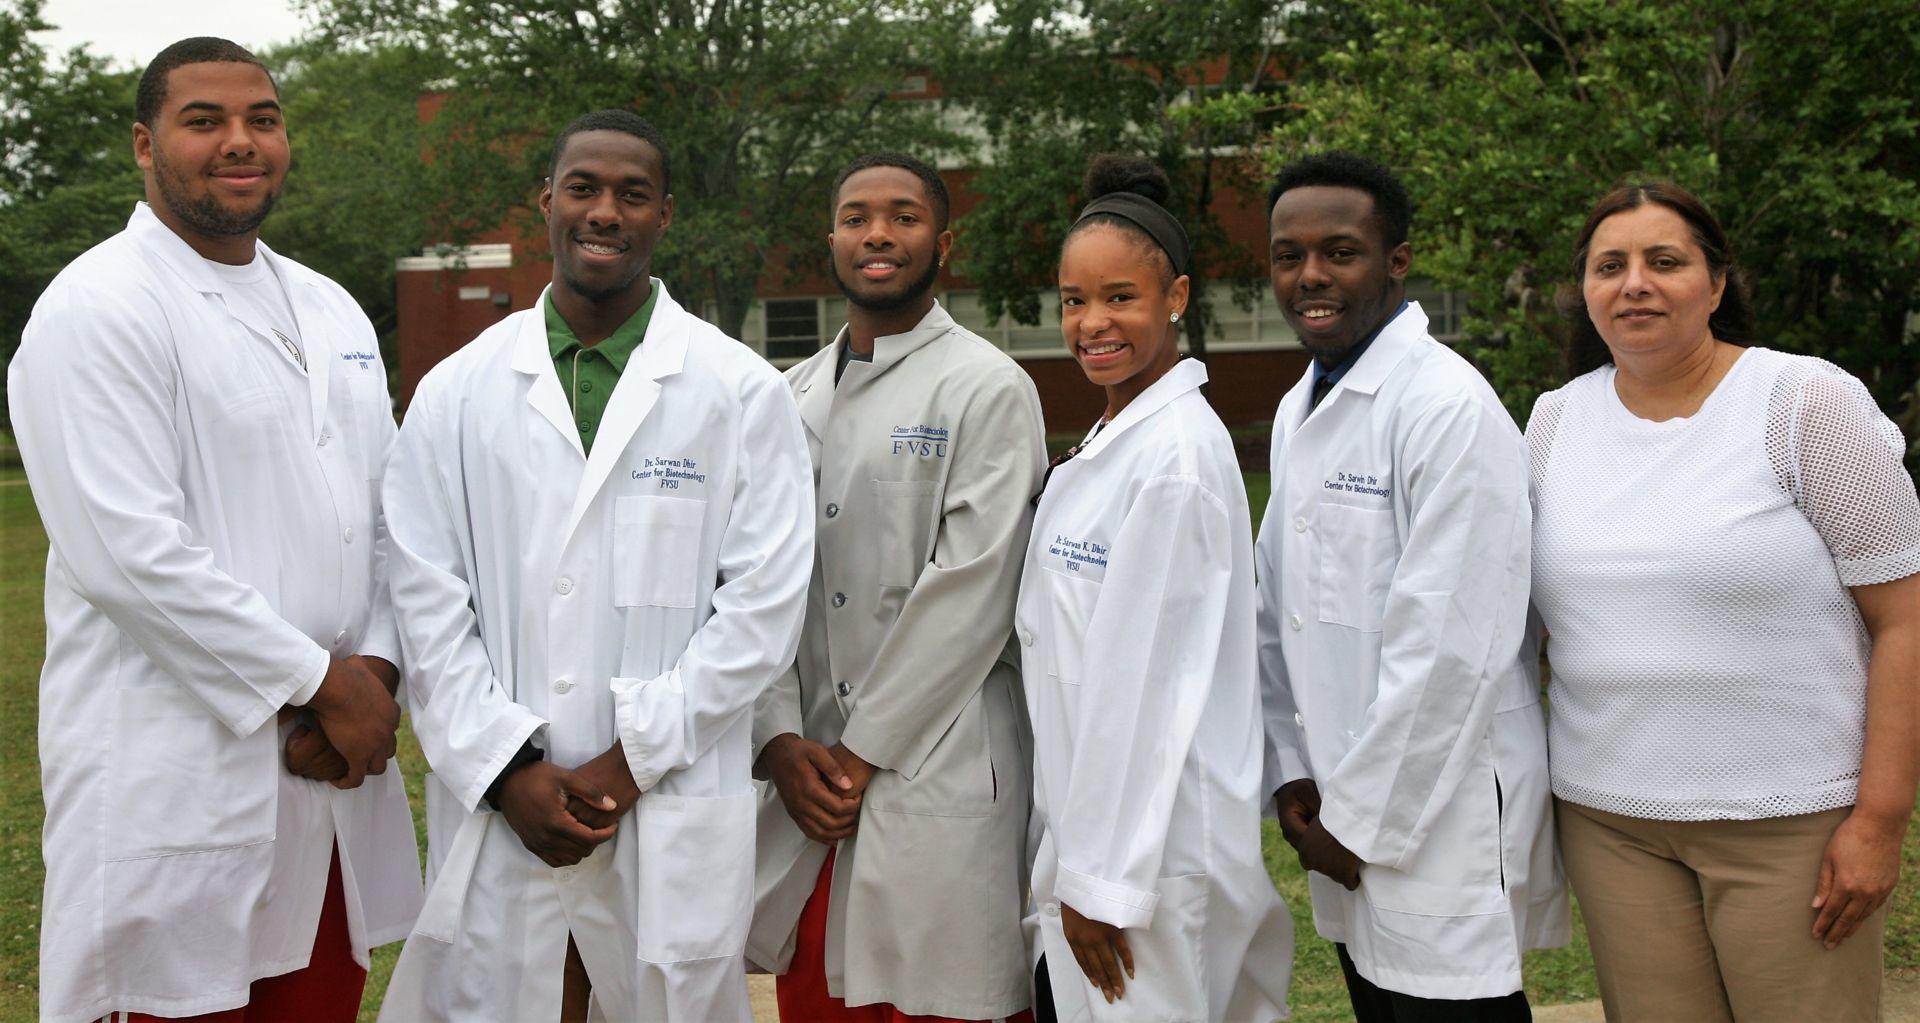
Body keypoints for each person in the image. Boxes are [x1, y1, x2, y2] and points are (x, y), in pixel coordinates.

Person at [9, 37, 421, 1023]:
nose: (241, 142)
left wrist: (380, 674)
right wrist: (322, 686)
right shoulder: (98, 307)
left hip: (324, 781)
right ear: (146, 146)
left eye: (263, 120)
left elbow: (394, 520)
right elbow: (128, 558)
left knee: (315, 997)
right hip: (178, 778)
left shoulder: (329, 309)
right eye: (206, 121)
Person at [375, 109, 815, 1022]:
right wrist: (504, 769)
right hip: (507, 804)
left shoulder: (740, 392)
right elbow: (423, 597)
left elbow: (764, 609)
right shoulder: (455, 392)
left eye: (632, 194)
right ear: (546, 201)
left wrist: (630, 761)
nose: (604, 212)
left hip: (670, 795)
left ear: (665, 217)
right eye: (583, 188)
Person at [1528, 182, 1920, 1022]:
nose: (1635, 282)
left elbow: (1906, 619)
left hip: (1792, 821)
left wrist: (1881, 819)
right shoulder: (1554, 423)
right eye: (1610, 265)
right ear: (1587, 292)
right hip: (1611, 821)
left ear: (1715, 284)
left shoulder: (1805, 404)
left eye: (1664, 261)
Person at [1255, 151, 1568, 1020]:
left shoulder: (1447, 408)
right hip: (1336, 809)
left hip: (1435, 815)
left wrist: (1360, 821)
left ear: (1396, 260)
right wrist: (1292, 774)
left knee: (1451, 1004)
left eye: (1340, 251)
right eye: (1288, 254)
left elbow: (1452, 647)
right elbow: (1275, 609)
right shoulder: (1300, 406)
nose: (1310, 275)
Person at [746, 152, 1046, 1022]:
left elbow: (973, 588)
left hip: (929, 763)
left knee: (937, 997)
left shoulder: (987, 385)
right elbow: (753, 581)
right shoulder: (786, 394)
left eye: (904, 216)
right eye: (856, 216)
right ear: (832, 240)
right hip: (806, 778)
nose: (878, 232)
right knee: (820, 994)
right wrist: (775, 739)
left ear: (943, 243)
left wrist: (857, 752)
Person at [1017, 154, 1293, 1023]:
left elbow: (1143, 690)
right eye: (1073, 300)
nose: (1093, 323)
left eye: (1120, 298)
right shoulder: (1116, 439)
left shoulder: (1172, 461)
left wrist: (1098, 879)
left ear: (1174, 297)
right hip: (1100, 835)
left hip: (1151, 856)